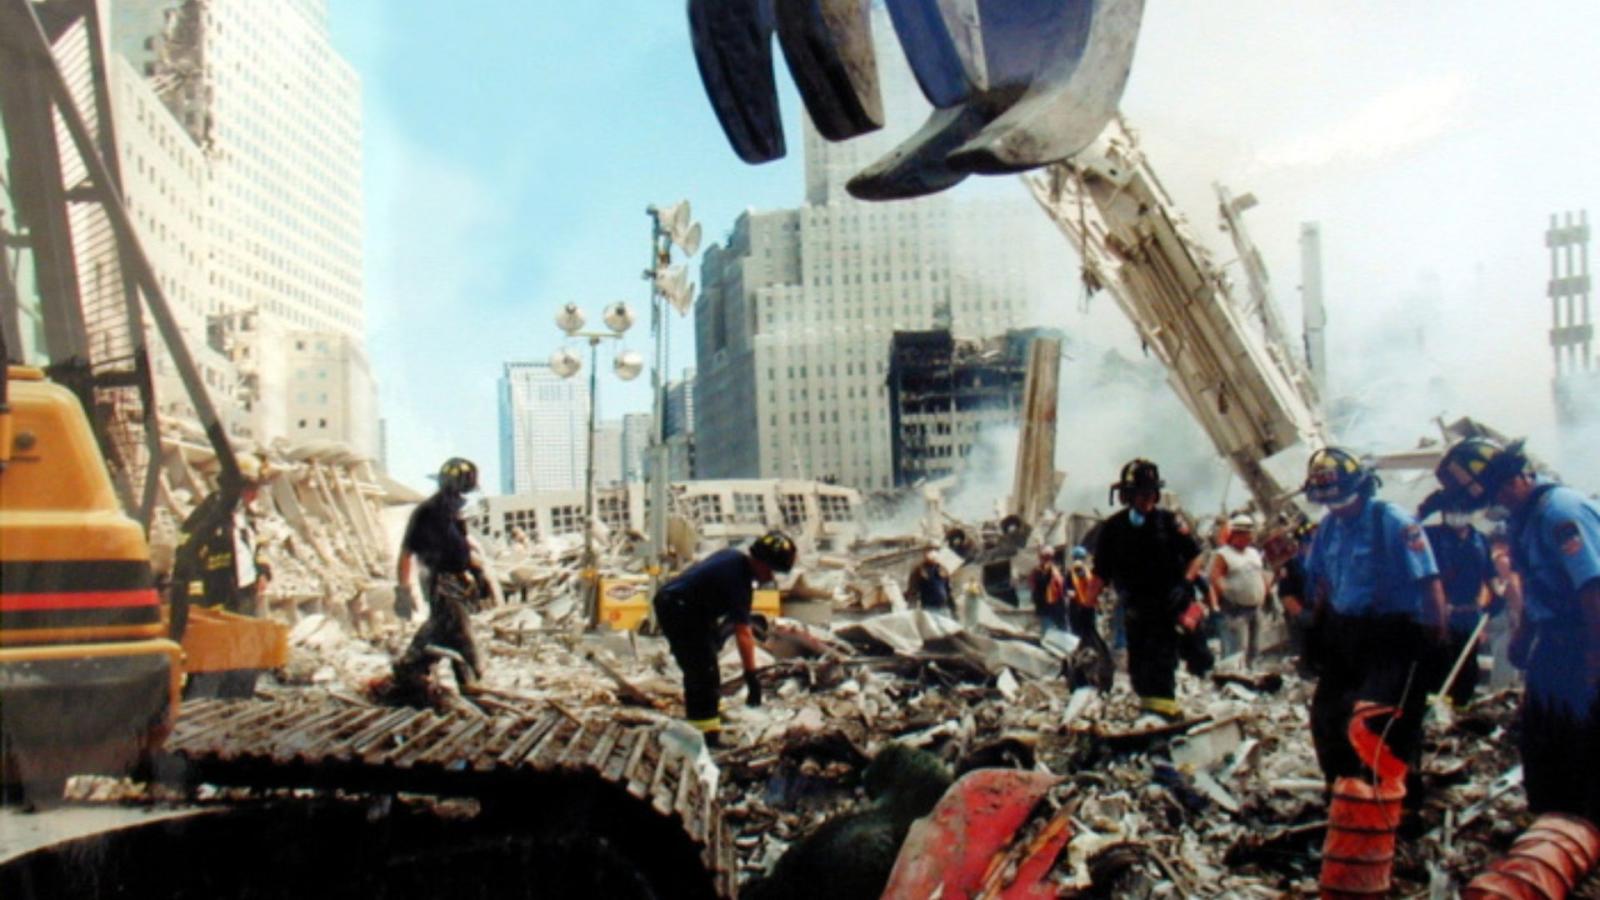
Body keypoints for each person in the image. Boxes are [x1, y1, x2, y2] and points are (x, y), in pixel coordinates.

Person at [1432, 437, 1600, 823]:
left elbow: (1593, 589)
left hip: (1585, 634)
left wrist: (1595, 657)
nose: (1496, 504)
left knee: (1585, 742)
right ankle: (1552, 824)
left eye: (1496, 495)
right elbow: (1530, 582)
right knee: (1542, 737)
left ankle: (1585, 829)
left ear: (1512, 480)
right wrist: (1523, 634)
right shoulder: (1523, 519)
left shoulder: (1562, 513)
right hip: (1554, 638)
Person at [1301, 447, 1446, 797]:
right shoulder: (1328, 527)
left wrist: (1437, 636)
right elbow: (1323, 584)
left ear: (1361, 488)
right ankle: (1344, 791)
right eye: (1328, 501)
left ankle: (1398, 799)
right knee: (1327, 715)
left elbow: (1429, 581)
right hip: (1344, 632)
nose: (1336, 507)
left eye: (1341, 499)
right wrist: (1315, 631)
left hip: (1391, 634)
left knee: (1381, 720)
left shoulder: (1393, 522)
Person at [653, 530, 797, 747]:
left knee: (706, 664)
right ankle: (704, 736)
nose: (771, 577)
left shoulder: (732, 558)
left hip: (687, 608)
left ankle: (709, 715)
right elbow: (743, 633)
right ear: (760, 562)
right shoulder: (738, 580)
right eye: (771, 570)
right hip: (679, 609)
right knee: (702, 671)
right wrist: (751, 676)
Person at [1084, 459, 1203, 719]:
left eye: (1150, 493)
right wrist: (1085, 607)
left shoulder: (1169, 522)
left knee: (1163, 661)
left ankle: (1165, 712)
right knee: (1138, 665)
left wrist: (1186, 583)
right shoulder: (1113, 529)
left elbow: (1195, 556)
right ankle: (1151, 711)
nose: (1146, 500)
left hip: (1168, 604)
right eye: (1140, 494)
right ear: (1127, 495)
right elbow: (1100, 573)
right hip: (1136, 607)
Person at [171, 451, 274, 697]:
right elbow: (186, 560)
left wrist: (262, 572)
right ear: (234, 486)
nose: (254, 495)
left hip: (243, 597)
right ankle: (203, 706)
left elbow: (257, 546)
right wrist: (197, 602)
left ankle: (237, 703)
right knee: (212, 663)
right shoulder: (207, 516)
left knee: (244, 660)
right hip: (216, 601)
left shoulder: (245, 516)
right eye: (251, 488)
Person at [391, 457, 489, 700]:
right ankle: (468, 684)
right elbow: (406, 553)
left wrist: (475, 573)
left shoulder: (452, 514)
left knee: (445, 630)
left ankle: (411, 670)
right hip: (439, 580)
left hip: (452, 579)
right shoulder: (428, 513)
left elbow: (460, 549)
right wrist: (403, 591)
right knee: (457, 632)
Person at [1419, 494, 1496, 707]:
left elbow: (1490, 575)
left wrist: (1496, 595)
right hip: (1437, 615)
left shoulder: (1479, 540)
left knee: (1466, 672)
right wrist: (1423, 511)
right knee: (1437, 671)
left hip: (1468, 616)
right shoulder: (1430, 536)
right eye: (1451, 509)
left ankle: (1460, 709)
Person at [1209, 513, 1272, 669]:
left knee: (1254, 648)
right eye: (1247, 534)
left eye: (1251, 533)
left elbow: (1261, 574)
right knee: (1236, 651)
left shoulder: (1253, 553)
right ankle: (1233, 676)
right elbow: (1215, 577)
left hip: (1255, 608)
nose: (1250, 537)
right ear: (1236, 534)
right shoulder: (1223, 554)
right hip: (1236, 609)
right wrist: (1228, 594)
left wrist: (1266, 593)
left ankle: (1252, 673)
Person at [1028, 547, 1067, 633]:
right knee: (1059, 628)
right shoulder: (1053, 571)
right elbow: (1062, 588)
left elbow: (1032, 585)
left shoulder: (1039, 571)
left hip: (1049, 606)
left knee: (1051, 628)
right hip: (1052, 605)